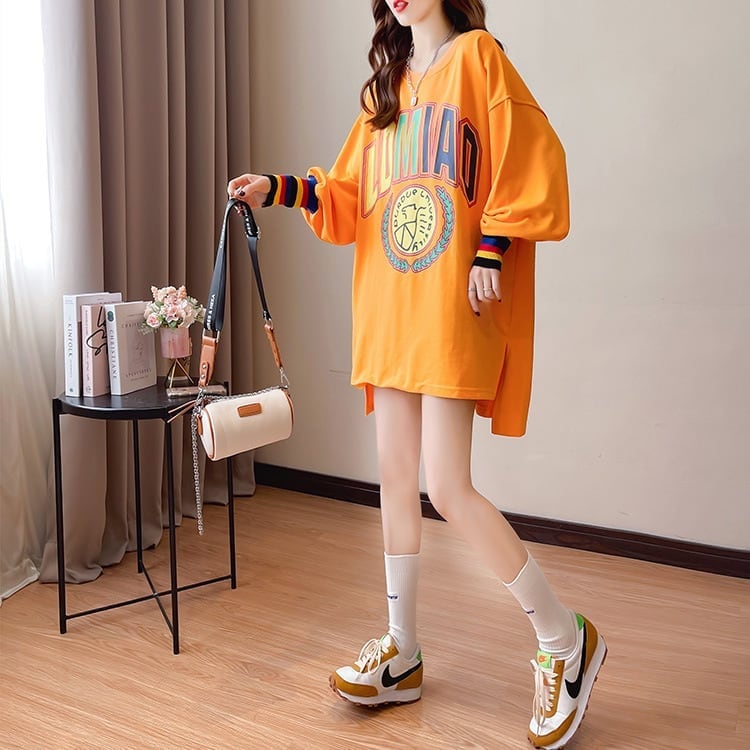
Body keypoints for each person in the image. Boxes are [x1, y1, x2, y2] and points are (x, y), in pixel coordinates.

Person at [228, 1, 606, 747]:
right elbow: (347, 193)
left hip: (449, 306)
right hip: (389, 304)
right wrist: (279, 187)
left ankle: (566, 640)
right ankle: (401, 650)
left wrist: (492, 248)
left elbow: (527, 156)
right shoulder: (389, 85)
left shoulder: (479, 58)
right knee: (395, 481)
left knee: (448, 488)